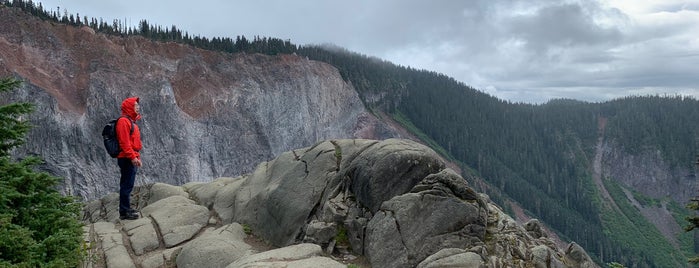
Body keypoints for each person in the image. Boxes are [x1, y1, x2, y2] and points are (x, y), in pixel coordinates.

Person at [116, 97, 143, 220]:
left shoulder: (131, 121)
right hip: (126, 158)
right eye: (135, 105)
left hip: (130, 157)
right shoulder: (123, 122)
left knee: (128, 184)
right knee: (126, 185)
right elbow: (125, 143)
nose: (138, 107)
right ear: (129, 107)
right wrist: (133, 157)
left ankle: (126, 208)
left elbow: (133, 143)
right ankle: (124, 211)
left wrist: (137, 157)